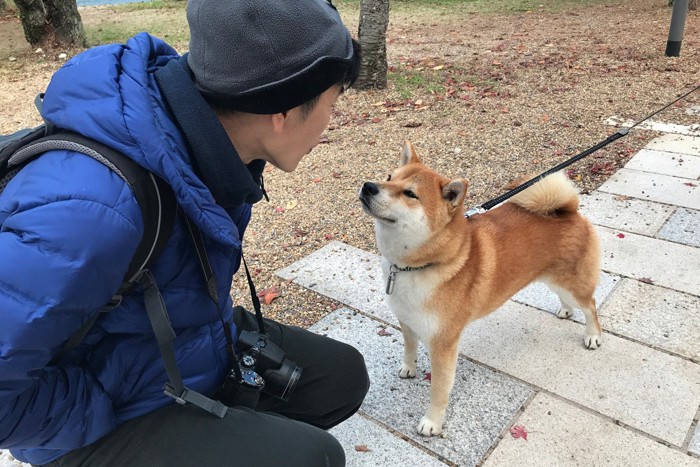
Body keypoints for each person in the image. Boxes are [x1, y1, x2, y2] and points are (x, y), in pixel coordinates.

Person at [0, 0, 369, 465]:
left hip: (166, 346)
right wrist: (98, 413)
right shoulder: (92, 212)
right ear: (285, 111)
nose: (328, 126)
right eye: (332, 106)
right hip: (101, 410)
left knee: (342, 378)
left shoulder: (211, 130)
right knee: (313, 458)